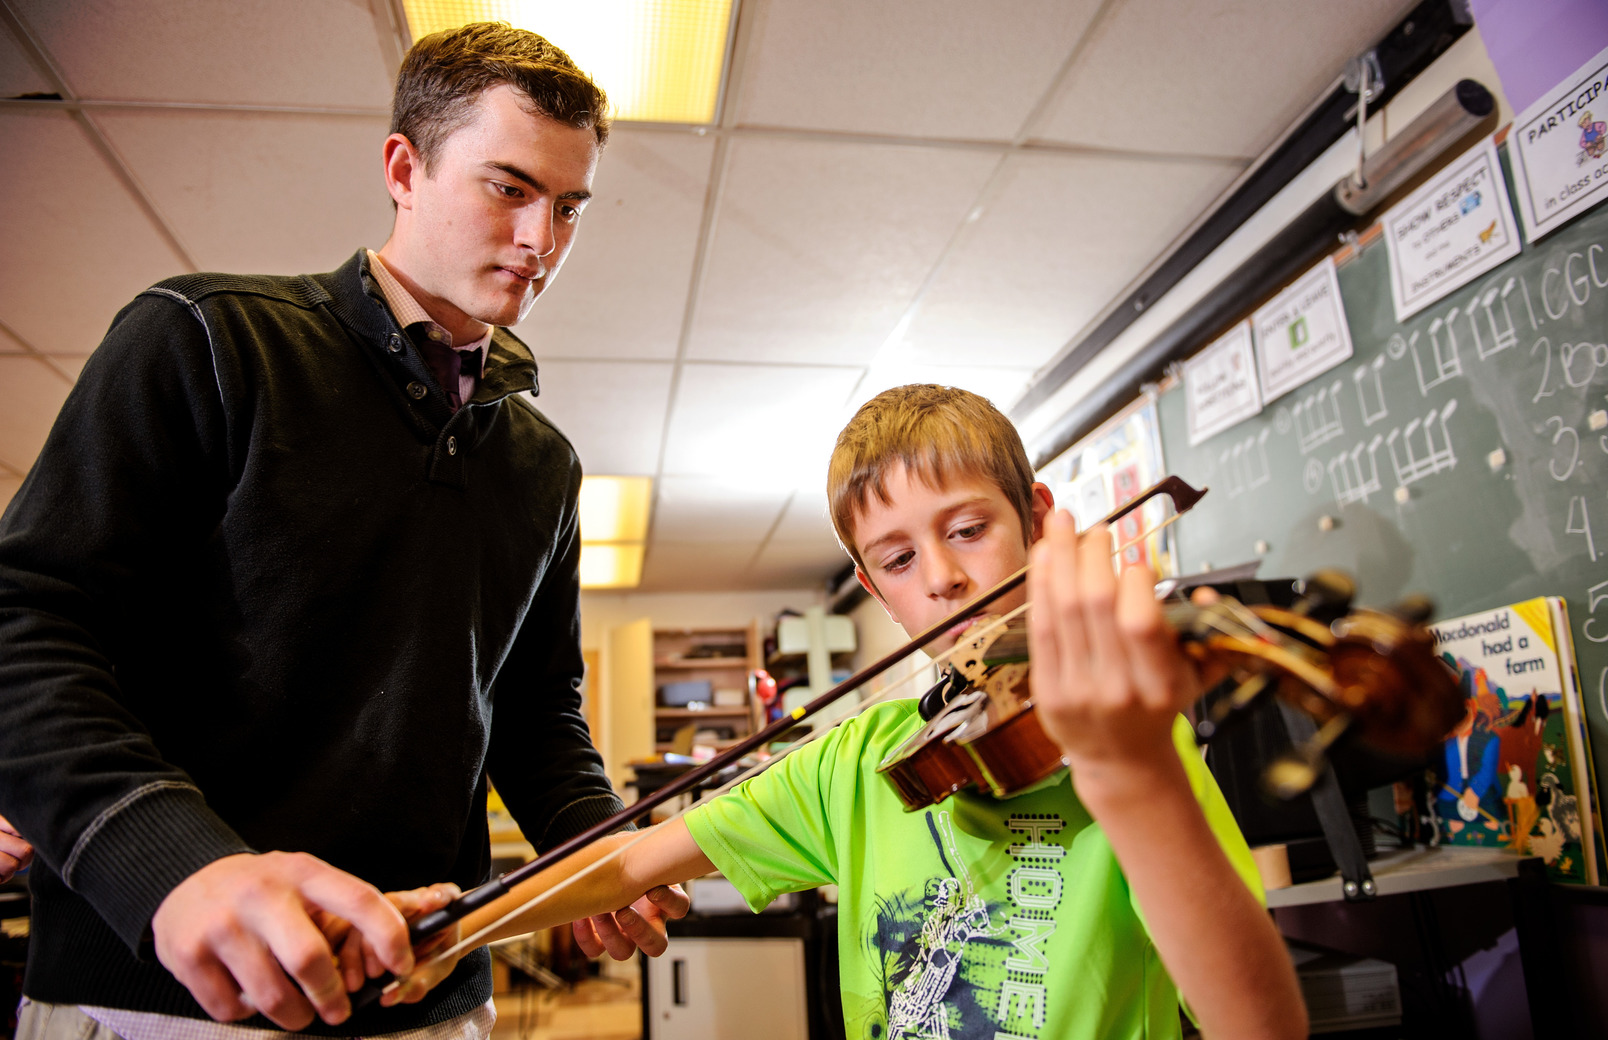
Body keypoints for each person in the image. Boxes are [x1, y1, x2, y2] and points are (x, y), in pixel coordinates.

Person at [0, 21, 685, 1040]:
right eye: (509, 188)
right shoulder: (208, 339)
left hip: (431, 994)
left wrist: (591, 835)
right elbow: (26, 618)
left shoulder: (545, 464)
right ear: (404, 168)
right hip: (159, 988)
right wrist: (169, 863)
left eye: (569, 205)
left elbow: (536, 710)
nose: (543, 240)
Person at [386, 385, 1307, 1038]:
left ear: (1035, 517)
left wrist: (1133, 772)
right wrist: (448, 933)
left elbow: (1260, 1025)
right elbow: (625, 862)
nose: (943, 578)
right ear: (872, 589)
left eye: (969, 529)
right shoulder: (858, 762)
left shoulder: (1132, 742)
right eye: (898, 561)